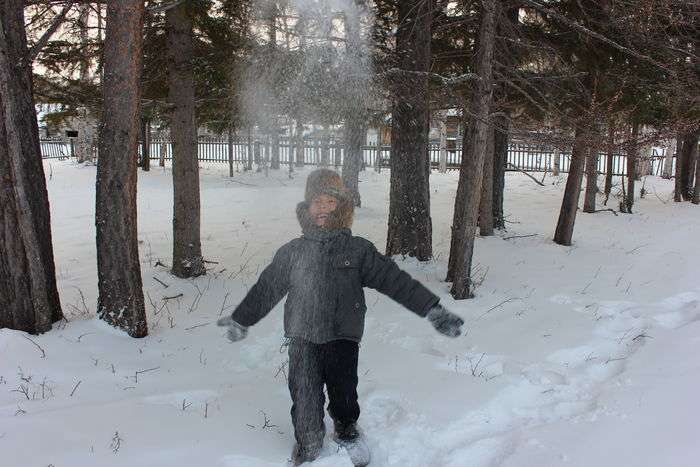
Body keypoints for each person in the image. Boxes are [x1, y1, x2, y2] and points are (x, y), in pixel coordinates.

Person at [218, 169, 464, 466]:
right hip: (302, 338)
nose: (321, 208)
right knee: (304, 397)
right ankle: (308, 442)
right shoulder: (292, 252)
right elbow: (265, 290)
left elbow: (395, 281)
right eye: (315, 202)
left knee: (344, 394)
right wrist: (241, 319)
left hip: (342, 337)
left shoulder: (358, 250)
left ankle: (347, 432)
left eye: (329, 202)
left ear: (342, 207)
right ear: (306, 208)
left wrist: (432, 309)